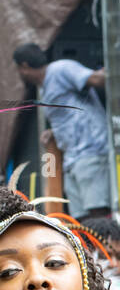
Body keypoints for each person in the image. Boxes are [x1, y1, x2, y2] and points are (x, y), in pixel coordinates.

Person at [13, 44, 111, 219]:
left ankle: (104, 245)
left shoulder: (61, 69)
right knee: (79, 217)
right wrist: (53, 131)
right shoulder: (44, 87)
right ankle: (87, 247)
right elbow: (69, 113)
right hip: (72, 158)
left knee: (97, 211)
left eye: (18, 69)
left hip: (91, 150)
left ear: (25, 67)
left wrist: (116, 66)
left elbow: (98, 79)